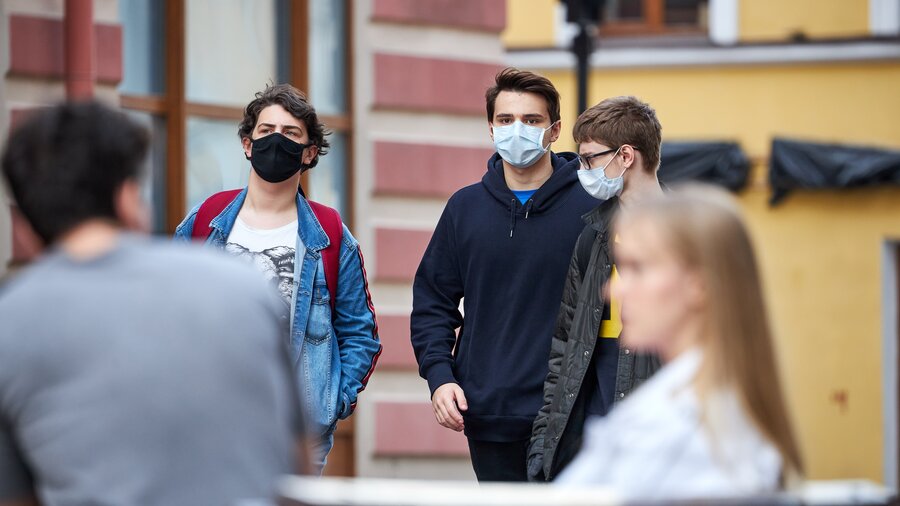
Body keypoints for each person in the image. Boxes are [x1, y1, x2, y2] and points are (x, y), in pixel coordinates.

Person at [0, 101, 306, 506]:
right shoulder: (244, 288)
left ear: (23, 226)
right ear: (128, 198)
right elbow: (294, 466)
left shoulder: (11, 323)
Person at [173, 84, 381, 474]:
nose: (276, 141)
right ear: (247, 144)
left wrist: (330, 403)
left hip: (295, 436)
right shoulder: (206, 220)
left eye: (290, 133)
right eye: (266, 131)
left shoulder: (330, 235)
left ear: (309, 152)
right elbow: (166, 311)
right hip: (208, 424)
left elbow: (361, 333)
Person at [557, 185, 804, 499]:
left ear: (699, 285)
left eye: (637, 268)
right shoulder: (695, 407)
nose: (613, 290)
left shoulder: (686, 430)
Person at [410, 68, 597, 482]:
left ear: (554, 130)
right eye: (506, 119)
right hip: (489, 418)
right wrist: (440, 378)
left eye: (531, 120)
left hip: (573, 417)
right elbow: (432, 302)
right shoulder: (465, 209)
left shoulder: (590, 207)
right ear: (491, 129)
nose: (518, 130)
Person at [528, 96, 664, 481]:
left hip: (654, 441)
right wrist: (543, 446)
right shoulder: (593, 235)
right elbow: (564, 345)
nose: (582, 170)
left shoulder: (687, 238)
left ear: (626, 156)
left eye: (589, 159)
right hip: (590, 436)